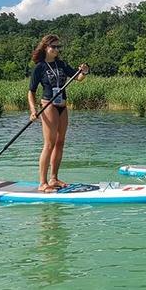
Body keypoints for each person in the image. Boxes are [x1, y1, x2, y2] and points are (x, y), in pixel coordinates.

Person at [28, 34, 89, 192]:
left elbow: (79, 78)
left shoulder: (61, 64)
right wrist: (33, 110)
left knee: (60, 142)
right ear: (46, 47)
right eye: (53, 47)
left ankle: (53, 178)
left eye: (58, 47)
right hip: (48, 105)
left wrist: (84, 72)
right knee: (49, 144)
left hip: (62, 105)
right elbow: (31, 92)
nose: (56, 49)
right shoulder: (39, 67)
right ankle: (42, 183)